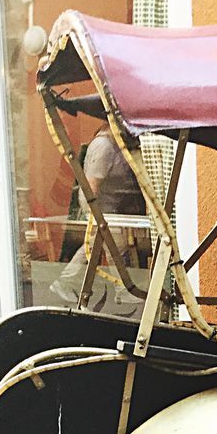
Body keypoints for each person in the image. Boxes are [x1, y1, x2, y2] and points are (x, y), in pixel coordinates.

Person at [50, 125, 146, 304]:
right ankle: (123, 289)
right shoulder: (104, 146)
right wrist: (94, 213)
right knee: (116, 247)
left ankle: (66, 282)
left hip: (109, 208)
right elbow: (92, 184)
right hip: (101, 207)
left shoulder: (114, 144)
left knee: (94, 246)